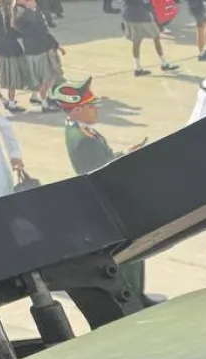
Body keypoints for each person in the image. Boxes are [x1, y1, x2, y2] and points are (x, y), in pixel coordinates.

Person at [54, 78, 148, 300]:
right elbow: (99, 174)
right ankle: (132, 297)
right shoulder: (82, 140)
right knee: (129, 252)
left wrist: (124, 154)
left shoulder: (83, 131)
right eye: (91, 106)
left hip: (109, 200)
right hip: (109, 203)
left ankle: (138, 295)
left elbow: (102, 161)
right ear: (77, 109)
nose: (95, 110)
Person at [13, 0, 62, 110]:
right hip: (36, 51)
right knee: (44, 78)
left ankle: (44, 98)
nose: (33, 1)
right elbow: (38, 31)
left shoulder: (34, 12)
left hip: (41, 48)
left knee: (48, 76)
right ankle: (45, 103)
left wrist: (54, 44)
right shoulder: (24, 15)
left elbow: (44, 30)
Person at [121, 0, 177, 75]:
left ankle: (137, 68)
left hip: (128, 16)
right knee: (156, 38)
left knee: (136, 41)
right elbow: (148, 4)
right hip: (142, 16)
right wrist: (156, 19)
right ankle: (164, 63)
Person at [0, 0, 26, 111]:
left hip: (2, 48)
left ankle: (11, 102)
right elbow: (19, 32)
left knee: (10, 78)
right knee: (15, 77)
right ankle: (12, 103)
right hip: (14, 48)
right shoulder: (14, 11)